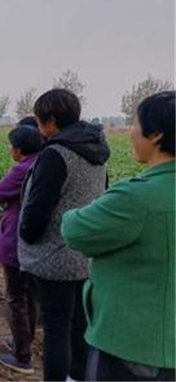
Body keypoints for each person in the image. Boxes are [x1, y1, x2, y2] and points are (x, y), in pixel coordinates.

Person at [62, 91, 175, 382]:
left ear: (157, 135)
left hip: (133, 347)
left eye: (134, 124)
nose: (130, 133)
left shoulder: (136, 198)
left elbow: (75, 230)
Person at [19, 88, 110, 382]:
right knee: (78, 326)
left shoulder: (56, 153)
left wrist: (27, 237)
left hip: (55, 256)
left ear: (52, 121)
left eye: (39, 120)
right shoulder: (96, 150)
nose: (39, 126)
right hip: (86, 252)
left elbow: (37, 209)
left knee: (56, 329)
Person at [0, 126, 44, 374]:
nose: (10, 149)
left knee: (16, 297)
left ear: (19, 149)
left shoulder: (22, 169)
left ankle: (22, 356)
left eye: (12, 145)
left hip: (17, 239)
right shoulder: (42, 163)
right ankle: (24, 340)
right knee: (30, 294)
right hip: (36, 242)